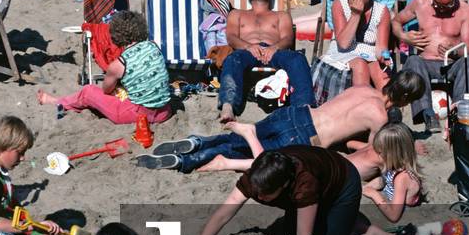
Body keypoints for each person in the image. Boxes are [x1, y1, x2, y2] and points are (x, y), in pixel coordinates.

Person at [138, 71, 424, 173]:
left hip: (298, 113)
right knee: (242, 151)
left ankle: (196, 141)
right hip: (307, 138)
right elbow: (368, 152)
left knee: (239, 139)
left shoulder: (362, 88)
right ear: (406, 97)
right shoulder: (381, 116)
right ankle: (185, 162)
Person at [196, 145, 362, 235]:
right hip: (313, 180)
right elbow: (222, 215)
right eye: (257, 192)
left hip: (342, 185)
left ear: (283, 186)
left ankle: (366, 231)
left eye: (265, 194)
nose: (259, 197)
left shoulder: (304, 184)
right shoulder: (256, 178)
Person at [38, 11, 173, 124]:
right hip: (164, 112)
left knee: (88, 92)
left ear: (115, 36)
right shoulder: (154, 46)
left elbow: (106, 90)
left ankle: (56, 102)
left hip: (137, 115)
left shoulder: (119, 65)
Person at [216, 0, 315, 122]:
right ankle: (228, 106)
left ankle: (303, 106)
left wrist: (274, 48)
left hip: (275, 51)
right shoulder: (236, 14)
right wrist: (249, 46)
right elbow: (231, 37)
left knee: (297, 58)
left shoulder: (282, 15)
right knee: (232, 59)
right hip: (246, 51)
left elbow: (288, 38)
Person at [392, 0, 469, 133]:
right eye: (437, 5)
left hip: (451, 64)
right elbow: (396, 22)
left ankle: (459, 112)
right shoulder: (421, 3)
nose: (440, 9)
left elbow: (468, 49)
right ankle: (428, 115)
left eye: (446, 5)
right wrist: (404, 36)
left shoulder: (466, 11)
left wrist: (454, 49)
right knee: (413, 60)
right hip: (425, 63)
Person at [319, 0, 393, 89]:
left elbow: (381, 47)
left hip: (369, 53)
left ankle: (386, 106)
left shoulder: (381, 10)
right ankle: (361, 103)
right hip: (343, 52)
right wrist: (356, 14)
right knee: (360, 65)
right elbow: (343, 44)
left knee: (381, 73)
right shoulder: (339, 4)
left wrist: (384, 56)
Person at [347, 123, 423, 222]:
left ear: (394, 153)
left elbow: (394, 216)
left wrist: (374, 194)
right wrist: (368, 187)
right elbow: (385, 180)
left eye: (380, 152)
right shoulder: (393, 165)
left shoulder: (402, 178)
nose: (377, 154)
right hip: (390, 195)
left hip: (401, 208)